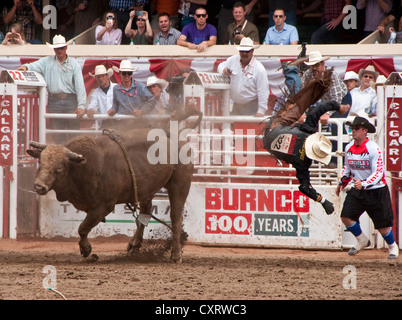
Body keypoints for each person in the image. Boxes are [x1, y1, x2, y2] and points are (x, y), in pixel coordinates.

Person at [264, 68, 350, 215]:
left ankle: (292, 71)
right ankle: (294, 73)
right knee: (297, 106)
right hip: (269, 144)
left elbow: (320, 108)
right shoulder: (303, 163)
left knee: (298, 100)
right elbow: (305, 187)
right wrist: (323, 201)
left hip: (275, 126)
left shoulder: (308, 132)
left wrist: (338, 107)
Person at [336, 116, 399, 259]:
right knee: (346, 216)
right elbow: (347, 168)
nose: (353, 131)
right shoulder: (348, 148)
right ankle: (361, 240)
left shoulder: (373, 148)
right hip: (358, 190)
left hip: (376, 190)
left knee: (383, 226)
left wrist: (363, 183)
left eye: (357, 128)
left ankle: (392, 246)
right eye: (352, 128)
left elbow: (378, 173)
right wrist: (342, 182)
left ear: (365, 131)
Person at [17, 35, 86, 144]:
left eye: (61, 48)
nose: (59, 51)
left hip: (70, 100)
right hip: (54, 100)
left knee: (74, 133)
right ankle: (62, 158)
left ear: (66, 48)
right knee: (57, 134)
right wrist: (26, 67)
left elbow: (80, 86)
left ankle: (74, 157)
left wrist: (81, 105)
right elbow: (33, 65)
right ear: (54, 49)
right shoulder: (46, 62)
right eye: (57, 48)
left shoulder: (74, 65)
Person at [217, 37, 268, 116]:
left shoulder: (259, 69)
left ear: (252, 51)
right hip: (236, 106)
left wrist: (261, 111)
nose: (244, 54)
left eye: (247, 51)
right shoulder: (233, 60)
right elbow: (220, 66)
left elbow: (263, 91)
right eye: (242, 51)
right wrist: (224, 69)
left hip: (251, 106)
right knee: (234, 127)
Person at [302, 51, 347, 126]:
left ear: (323, 64)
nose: (314, 68)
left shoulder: (331, 75)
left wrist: (327, 113)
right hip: (327, 101)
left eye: (316, 65)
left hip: (343, 99)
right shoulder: (307, 74)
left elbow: (337, 98)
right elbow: (304, 96)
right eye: (312, 66)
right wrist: (302, 112)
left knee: (336, 125)